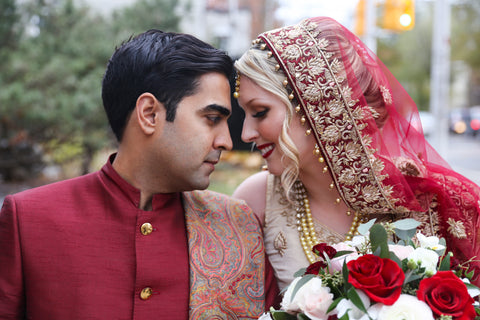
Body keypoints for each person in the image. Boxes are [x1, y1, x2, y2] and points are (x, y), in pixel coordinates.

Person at [0, 29, 279, 319]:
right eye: (212, 119)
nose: (227, 141)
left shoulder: (239, 227)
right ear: (149, 114)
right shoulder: (30, 220)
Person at [232, 16, 480, 290]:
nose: (246, 134)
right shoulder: (257, 199)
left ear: (318, 104)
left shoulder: (434, 198)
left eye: (260, 112)